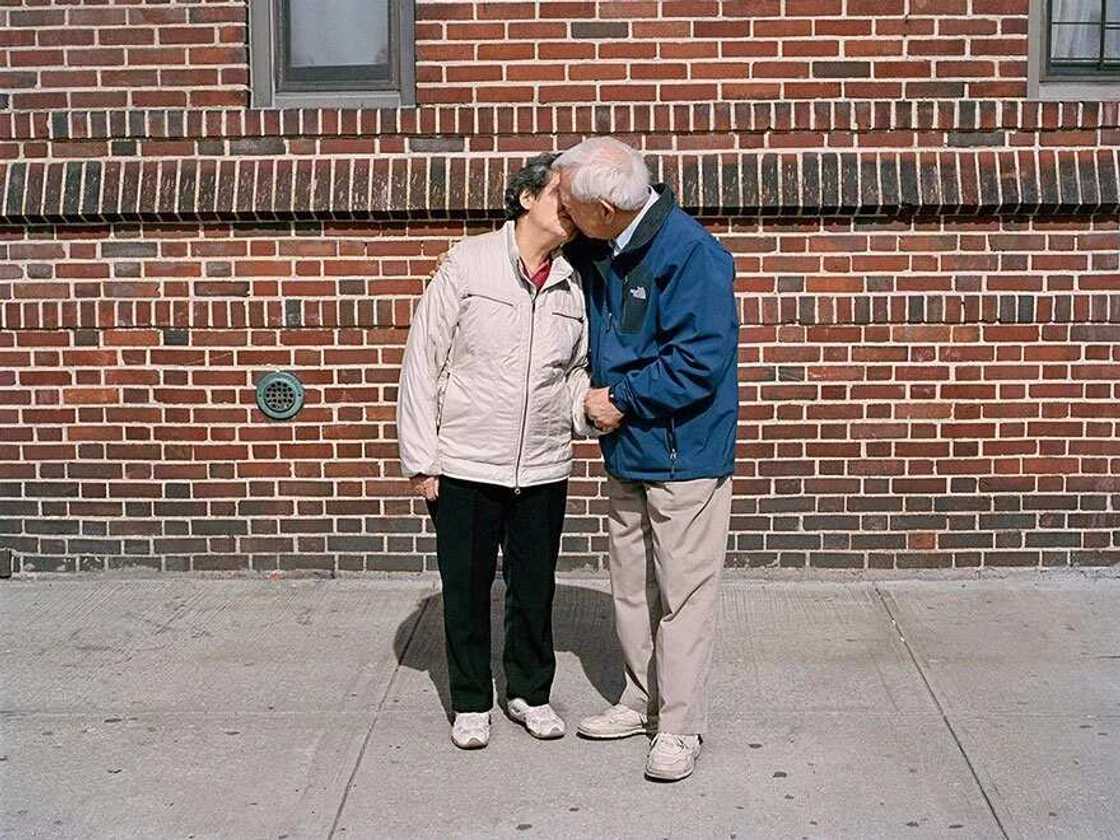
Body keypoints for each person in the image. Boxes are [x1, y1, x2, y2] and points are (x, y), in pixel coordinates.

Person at [553, 137, 739, 782]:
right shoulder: (607, 243)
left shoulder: (692, 254)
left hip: (684, 454)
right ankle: (639, 699)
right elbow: (534, 222)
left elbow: (699, 363)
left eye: (572, 205)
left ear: (606, 206)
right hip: (628, 449)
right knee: (630, 586)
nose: (564, 215)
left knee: (684, 597)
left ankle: (680, 726)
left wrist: (619, 399)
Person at [396, 153, 594, 750]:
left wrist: (587, 412)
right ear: (529, 197)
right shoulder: (467, 263)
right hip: (463, 463)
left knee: (534, 589)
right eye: (564, 196)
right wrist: (422, 461)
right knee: (467, 588)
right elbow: (423, 362)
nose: (573, 211)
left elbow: (575, 369)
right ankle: (472, 700)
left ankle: (530, 693)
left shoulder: (572, 281)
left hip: (542, 465)